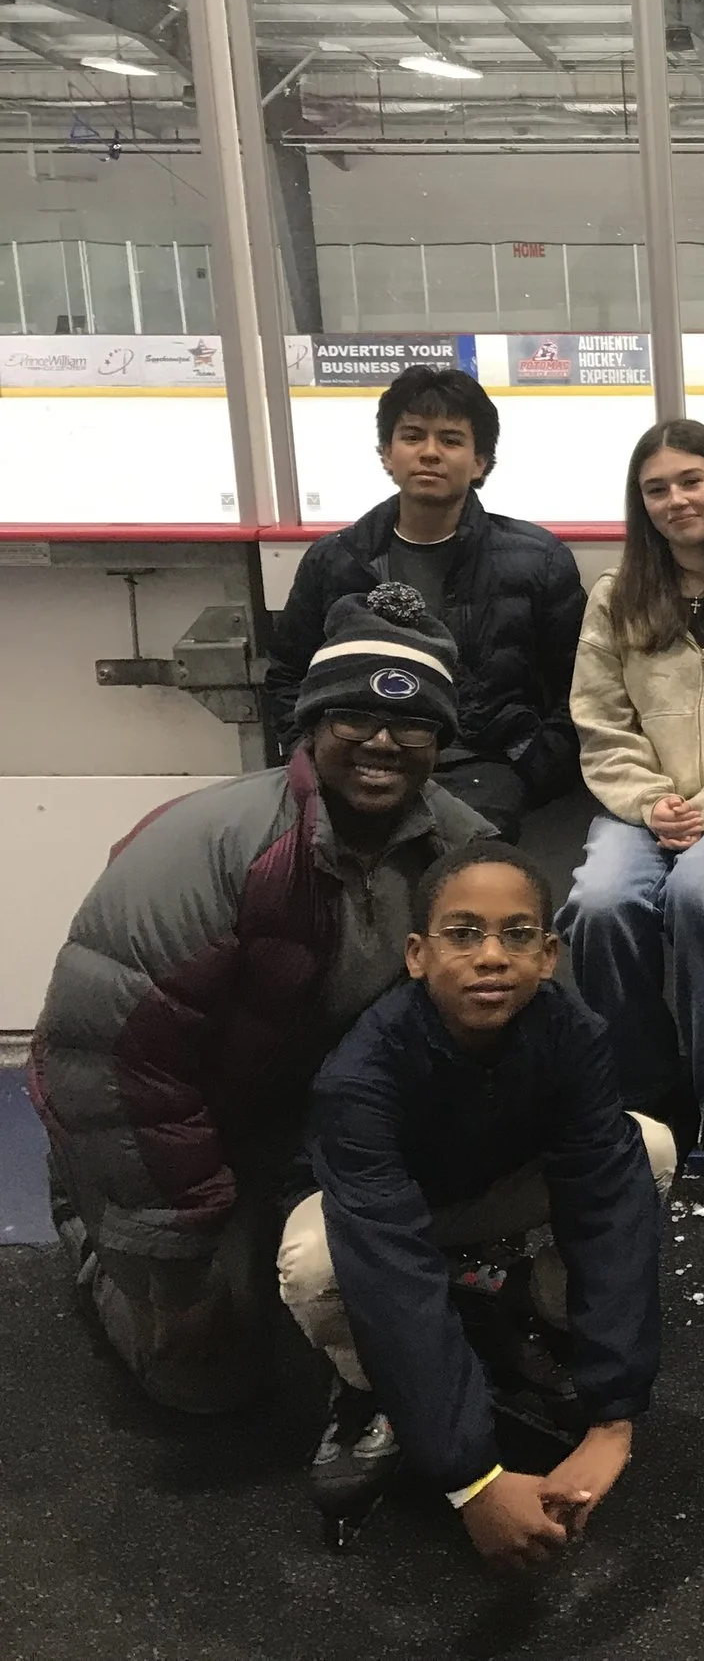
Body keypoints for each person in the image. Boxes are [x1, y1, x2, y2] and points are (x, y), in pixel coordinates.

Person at [30, 585, 489, 1415]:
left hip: (313, 1135)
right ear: (312, 723)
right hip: (172, 1137)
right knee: (209, 1380)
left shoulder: (464, 850)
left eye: (413, 722)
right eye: (356, 716)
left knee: (401, 1332)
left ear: (441, 739)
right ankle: (99, 1238)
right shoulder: (205, 848)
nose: (383, 741)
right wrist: (173, 1270)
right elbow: (110, 1073)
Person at [278, 843, 671, 1562]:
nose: (492, 955)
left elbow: (606, 1202)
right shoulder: (363, 1070)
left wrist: (615, 1413)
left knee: (646, 1149)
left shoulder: (571, 1032)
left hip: (488, 1192)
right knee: (311, 1264)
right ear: (418, 954)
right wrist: (473, 1477)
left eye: (517, 934)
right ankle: (374, 1387)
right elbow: (390, 1264)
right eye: (463, 933)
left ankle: (543, 1315)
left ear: (548, 954)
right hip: (384, 1215)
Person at [559, 420, 704, 1179]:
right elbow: (600, 718)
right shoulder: (619, 597)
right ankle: (642, 1096)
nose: (677, 499)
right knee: (600, 902)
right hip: (643, 804)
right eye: (657, 488)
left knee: (702, 893)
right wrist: (651, 802)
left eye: (692, 480)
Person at [266, 364, 587, 839]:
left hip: (483, 769)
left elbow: (580, 688)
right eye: (413, 436)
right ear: (386, 454)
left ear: (480, 462)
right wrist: (315, 759)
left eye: (451, 440)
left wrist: (529, 771)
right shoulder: (336, 559)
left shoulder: (537, 559)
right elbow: (289, 677)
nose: (430, 453)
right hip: (361, 763)